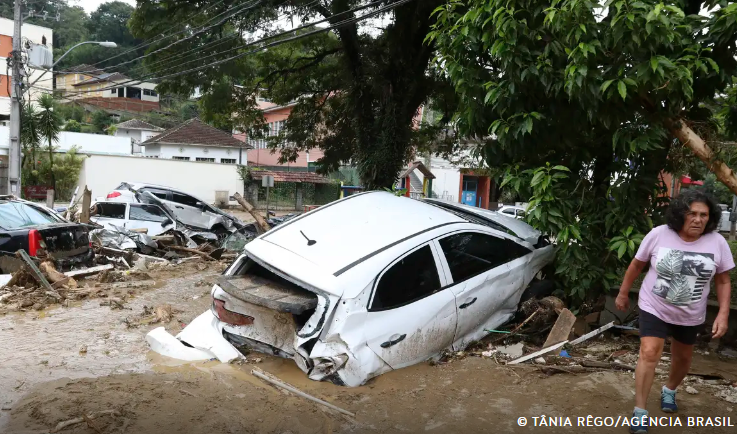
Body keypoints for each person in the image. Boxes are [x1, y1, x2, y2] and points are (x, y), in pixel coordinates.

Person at [616, 189, 733, 433]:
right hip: (654, 306)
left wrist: (723, 313)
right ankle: (640, 412)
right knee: (649, 352)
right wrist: (623, 292)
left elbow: (723, 280)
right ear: (681, 214)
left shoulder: (717, 242)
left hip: (690, 314)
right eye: (692, 214)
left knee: (683, 359)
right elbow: (637, 265)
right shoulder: (659, 234)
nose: (698, 219)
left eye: (704, 214)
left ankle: (669, 389)